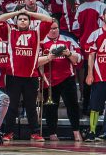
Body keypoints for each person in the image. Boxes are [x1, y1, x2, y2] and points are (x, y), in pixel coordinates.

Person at [0, 8, 53, 141]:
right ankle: (8, 132)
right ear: (16, 21)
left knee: (31, 107)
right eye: (20, 19)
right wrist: (17, 13)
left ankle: (35, 133)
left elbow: (48, 19)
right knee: (12, 106)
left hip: (31, 76)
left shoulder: (36, 33)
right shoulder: (10, 32)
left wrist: (28, 13)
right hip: (13, 76)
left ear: (30, 22)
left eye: (25, 19)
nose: (22, 21)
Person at [38, 19, 82, 141]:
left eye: (56, 28)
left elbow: (78, 59)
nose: (53, 31)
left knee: (73, 106)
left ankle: (76, 131)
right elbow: (36, 61)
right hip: (49, 80)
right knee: (50, 108)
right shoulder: (41, 41)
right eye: (51, 28)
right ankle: (52, 134)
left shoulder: (68, 40)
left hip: (68, 78)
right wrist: (49, 57)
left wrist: (68, 53)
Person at [84, 8, 106, 141]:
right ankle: (92, 132)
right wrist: (89, 74)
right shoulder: (96, 33)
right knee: (95, 105)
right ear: (103, 16)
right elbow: (91, 56)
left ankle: (104, 132)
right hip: (100, 75)